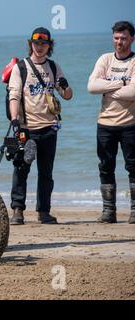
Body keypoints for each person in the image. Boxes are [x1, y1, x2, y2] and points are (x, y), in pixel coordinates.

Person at [8, 27, 73, 225]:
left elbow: (68, 96)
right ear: (31, 44)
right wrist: (14, 121)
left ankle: (44, 212)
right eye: (36, 43)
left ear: (49, 46)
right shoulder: (21, 67)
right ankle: (17, 211)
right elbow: (14, 95)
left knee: (46, 173)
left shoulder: (54, 68)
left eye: (44, 44)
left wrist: (65, 84)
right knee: (21, 169)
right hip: (26, 129)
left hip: (49, 128)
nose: (40, 47)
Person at [88, 21, 135, 224]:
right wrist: (121, 83)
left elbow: (134, 92)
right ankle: (109, 211)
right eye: (116, 38)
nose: (119, 42)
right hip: (105, 124)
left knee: (133, 167)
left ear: (132, 39)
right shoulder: (105, 59)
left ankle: (134, 211)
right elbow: (91, 86)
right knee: (105, 167)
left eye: (123, 38)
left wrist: (107, 87)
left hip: (130, 124)